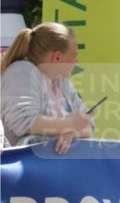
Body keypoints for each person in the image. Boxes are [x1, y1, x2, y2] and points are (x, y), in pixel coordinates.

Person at [1, 22, 94, 155]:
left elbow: (89, 125)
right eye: (74, 55)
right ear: (57, 57)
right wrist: (68, 124)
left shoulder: (62, 82)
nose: (76, 61)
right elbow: (23, 122)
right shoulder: (21, 72)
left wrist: (71, 133)